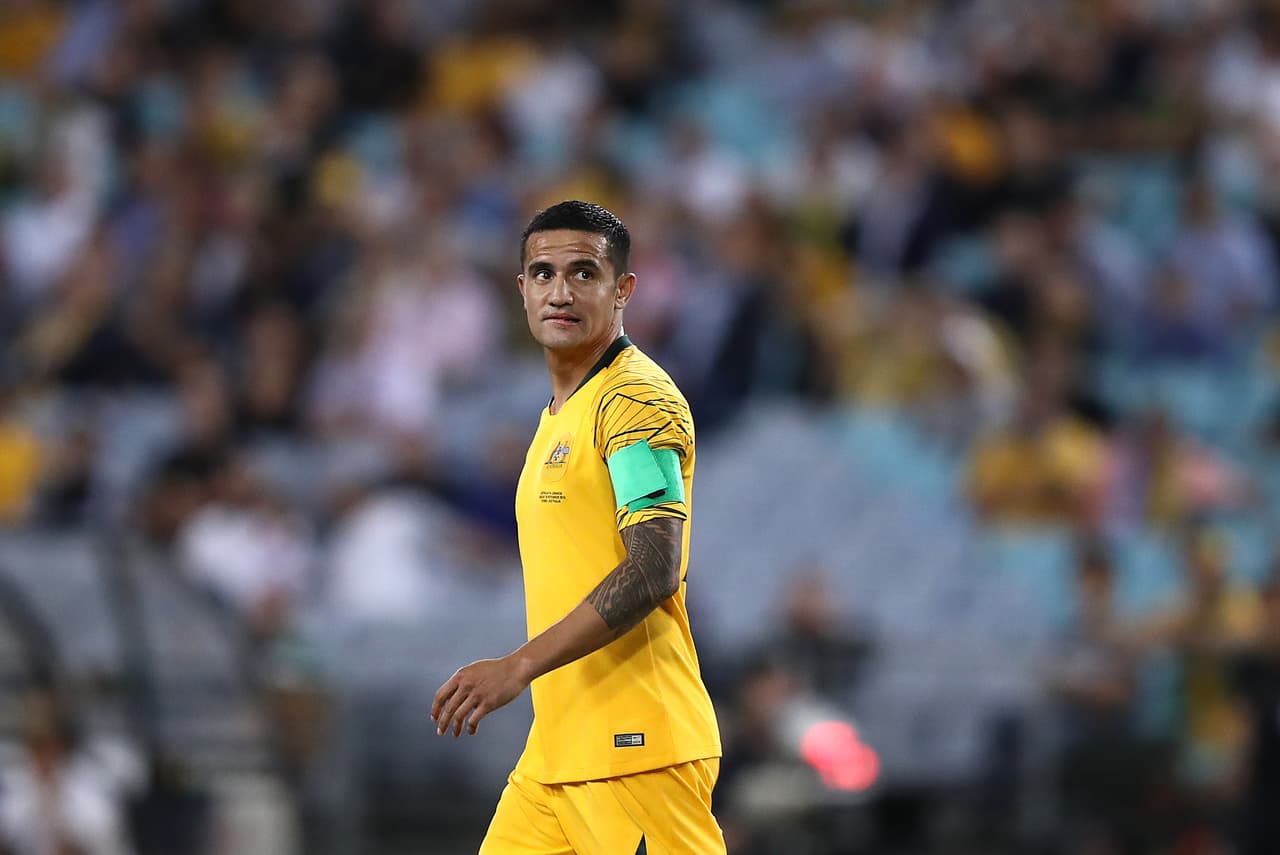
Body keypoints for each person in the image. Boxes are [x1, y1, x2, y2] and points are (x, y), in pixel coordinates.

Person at [431, 201, 725, 854]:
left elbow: (654, 566)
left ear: (623, 290)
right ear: (521, 289)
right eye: (543, 273)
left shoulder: (637, 401)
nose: (559, 292)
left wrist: (518, 666)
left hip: (634, 749)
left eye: (583, 273)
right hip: (557, 754)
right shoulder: (559, 413)